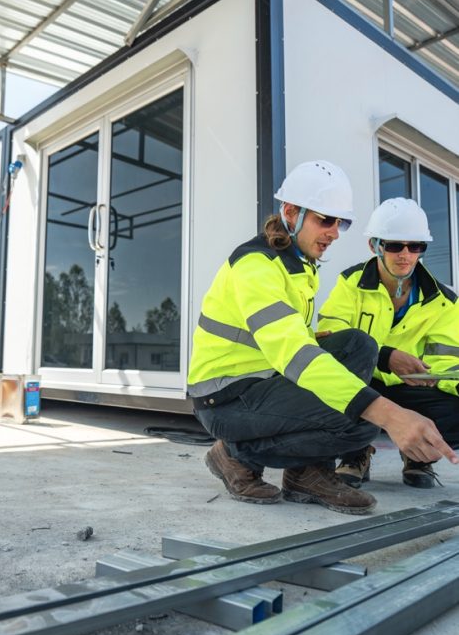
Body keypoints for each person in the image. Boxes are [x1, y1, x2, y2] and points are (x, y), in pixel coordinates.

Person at [188, 161, 457, 515]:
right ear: (290, 212)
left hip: (264, 381)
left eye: (340, 223)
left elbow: (313, 341)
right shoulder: (256, 267)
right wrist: (391, 414)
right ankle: (233, 453)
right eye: (325, 220)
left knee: (359, 346)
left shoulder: (299, 266)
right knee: (360, 425)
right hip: (225, 397)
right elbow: (296, 354)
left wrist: (384, 358)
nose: (334, 232)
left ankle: (305, 473)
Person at [318, 198, 459, 488]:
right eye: (395, 245)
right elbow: (331, 337)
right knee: (337, 370)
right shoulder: (351, 283)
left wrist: (435, 378)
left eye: (416, 246)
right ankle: (355, 452)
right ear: (375, 246)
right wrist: (386, 357)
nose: (405, 255)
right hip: (362, 383)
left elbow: (448, 361)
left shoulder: (444, 303)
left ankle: (419, 455)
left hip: (411, 390)